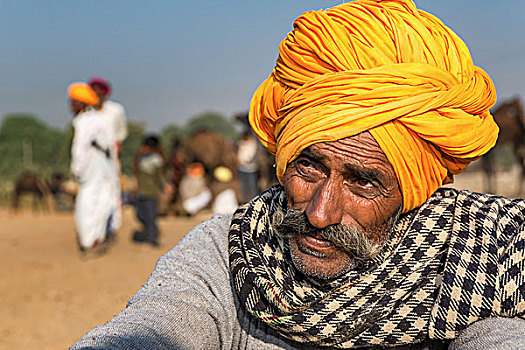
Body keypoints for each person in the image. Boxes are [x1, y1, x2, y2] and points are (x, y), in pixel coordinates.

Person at [70, 1, 525, 349]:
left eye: (363, 182)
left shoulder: (482, 263)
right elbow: (158, 323)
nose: (321, 213)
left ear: (416, 189)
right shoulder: (235, 250)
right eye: (308, 166)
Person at [68, 82, 118, 253]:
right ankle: (96, 237)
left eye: (73, 102)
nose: (70, 106)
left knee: (88, 199)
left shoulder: (84, 121)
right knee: (103, 199)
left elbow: (80, 147)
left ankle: (88, 240)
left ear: (81, 103)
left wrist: (77, 169)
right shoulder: (97, 118)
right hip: (103, 164)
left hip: (91, 163)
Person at [88, 77, 128, 239]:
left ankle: (112, 226)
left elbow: (121, 132)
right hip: (91, 158)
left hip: (110, 155)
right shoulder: (87, 112)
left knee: (112, 191)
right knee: (92, 192)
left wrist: (116, 151)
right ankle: (93, 229)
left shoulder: (116, 110)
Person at [132, 135, 167, 247]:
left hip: (151, 192)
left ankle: (152, 240)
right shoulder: (140, 158)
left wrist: (163, 185)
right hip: (140, 192)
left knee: (151, 217)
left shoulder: (157, 160)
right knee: (140, 215)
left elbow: (159, 176)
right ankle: (154, 231)